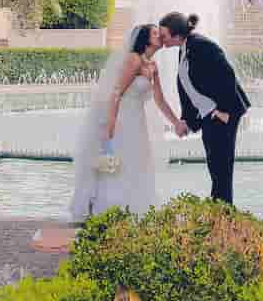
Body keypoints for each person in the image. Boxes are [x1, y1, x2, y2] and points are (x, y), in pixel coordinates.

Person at [69, 23, 183, 220]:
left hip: (138, 122)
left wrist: (176, 122)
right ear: (145, 39)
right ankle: (109, 208)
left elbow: (160, 100)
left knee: (137, 163)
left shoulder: (152, 66)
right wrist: (110, 126)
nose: (161, 36)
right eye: (155, 33)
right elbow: (116, 93)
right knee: (117, 163)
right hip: (121, 119)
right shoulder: (134, 60)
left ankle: (134, 208)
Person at [158, 11, 251, 206]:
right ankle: (219, 213)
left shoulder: (201, 45)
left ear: (176, 35)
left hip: (222, 114)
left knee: (221, 168)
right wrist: (187, 122)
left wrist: (224, 110)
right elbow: (189, 91)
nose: (161, 38)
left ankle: (224, 215)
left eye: (164, 35)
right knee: (215, 166)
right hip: (209, 115)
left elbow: (227, 75)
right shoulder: (184, 49)